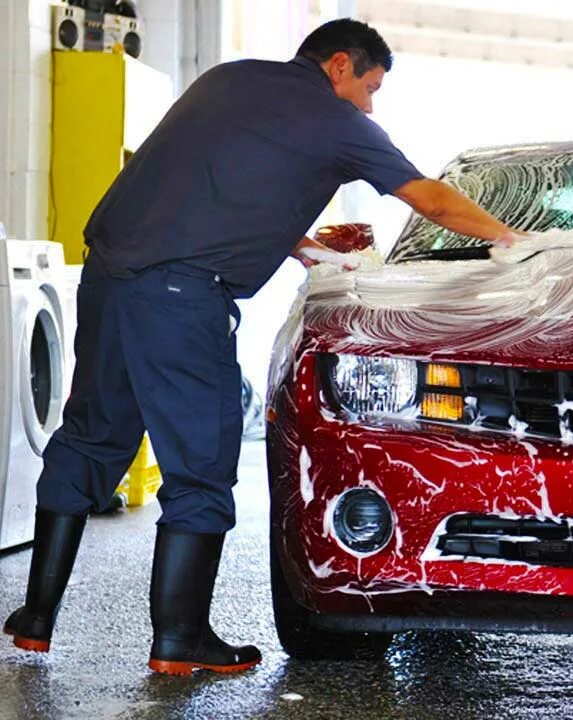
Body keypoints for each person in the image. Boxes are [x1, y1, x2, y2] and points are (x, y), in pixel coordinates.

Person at [2, 19, 526, 675]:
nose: (370, 105)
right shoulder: (338, 121)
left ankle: (35, 619)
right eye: (371, 87)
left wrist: (303, 249)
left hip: (109, 276)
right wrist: (517, 242)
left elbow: (212, 189)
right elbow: (430, 198)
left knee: (88, 437)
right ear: (341, 65)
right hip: (180, 299)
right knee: (201, 461)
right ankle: (180, 639)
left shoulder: (229, 81)